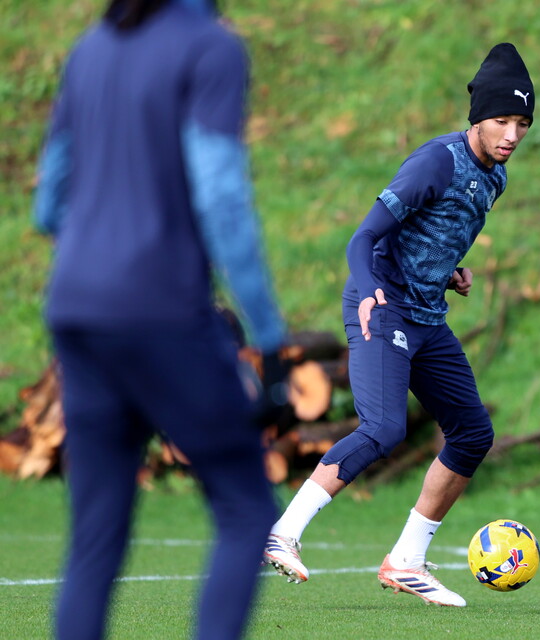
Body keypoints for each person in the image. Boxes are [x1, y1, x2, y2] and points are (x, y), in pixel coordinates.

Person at [33, 0, 288, 638]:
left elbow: (48, 202)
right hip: (161, 311)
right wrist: (268, 334)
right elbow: (221, 199)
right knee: (244, 508)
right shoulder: (211, 48)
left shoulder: (91, 47)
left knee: (95, 539)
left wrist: (101, 250)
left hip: (76, 309)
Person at [263, 42, 535, 607]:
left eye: (522, 122)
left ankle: (406, 561)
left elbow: (432, 232)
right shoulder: (436, 161)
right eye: (502, 120)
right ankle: (281, 533)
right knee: (383, 428)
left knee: (473, 432)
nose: (511, 133)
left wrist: (449, 270)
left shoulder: (495, 179)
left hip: (426, 315)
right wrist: (367, 293)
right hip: (380, 305)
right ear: (477, 118)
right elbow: (362, 236)